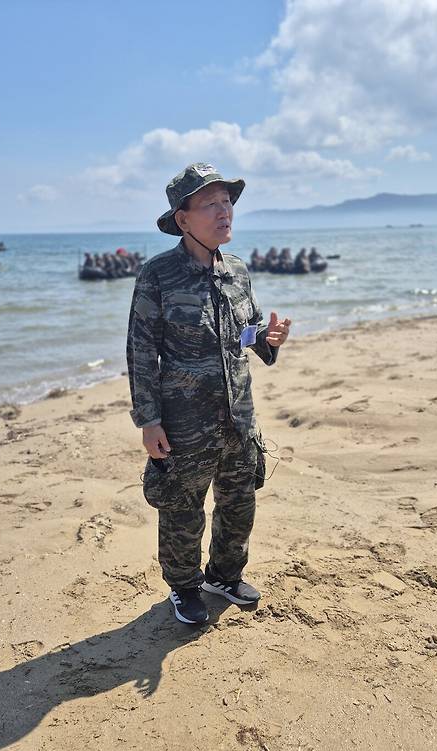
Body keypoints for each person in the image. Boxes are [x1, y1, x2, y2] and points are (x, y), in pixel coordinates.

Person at [126, 163, 291, 625]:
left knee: (239, 502)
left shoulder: (237, 271)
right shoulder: (158, 275)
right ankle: (184, 587)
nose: (224, 212)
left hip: (238, 416)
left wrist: (270, 340)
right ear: (183, 219)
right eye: (210, 204)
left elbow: (248, 332)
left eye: (227, 202)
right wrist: (149, 421)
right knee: (182, 508)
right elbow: (141, 352)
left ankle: (224, 576)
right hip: (184, 422)